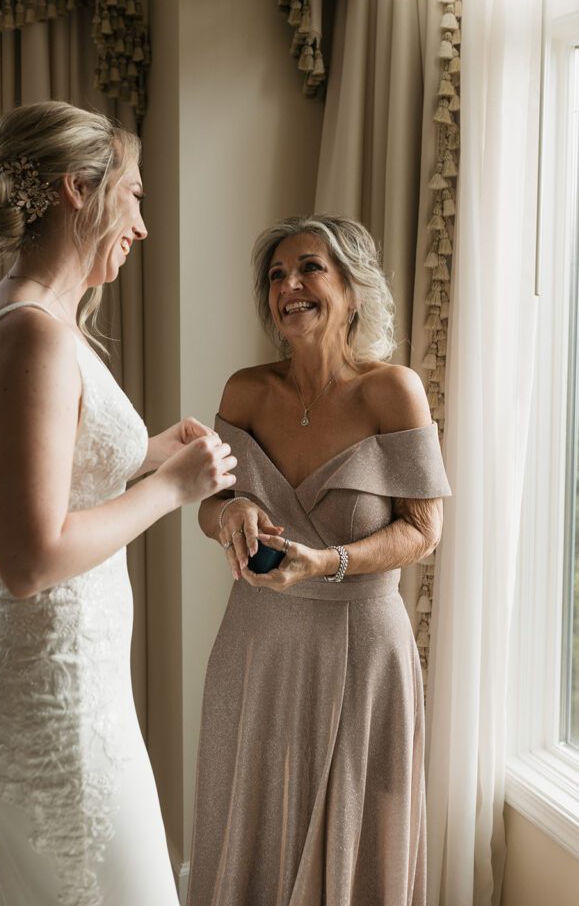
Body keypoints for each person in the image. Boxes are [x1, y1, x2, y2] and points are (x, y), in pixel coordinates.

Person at [0, 101, 236, 906]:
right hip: (51, 692)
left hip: (58, 675)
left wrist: (147, 452)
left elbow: (51, 465)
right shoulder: (33, 331)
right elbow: (30, 557)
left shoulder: (32, 314)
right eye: (133, 195)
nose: (141, 224)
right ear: (78, 189)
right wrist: (169, 490)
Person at [187, 215, 451, 906]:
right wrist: (231, 514)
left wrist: (327, 561)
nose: (289, 286)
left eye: (309, 268)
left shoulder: (390, 390)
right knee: (249, 822)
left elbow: (423, 529)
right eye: (276, 275)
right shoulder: (244, 390)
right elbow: (205, 507)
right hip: (255, 648)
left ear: (353, 288)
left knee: (359, 832)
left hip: (361, 648)